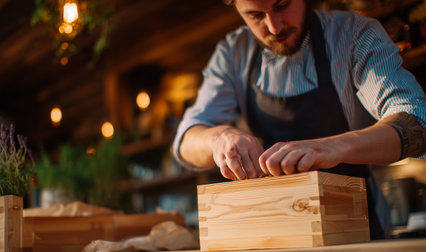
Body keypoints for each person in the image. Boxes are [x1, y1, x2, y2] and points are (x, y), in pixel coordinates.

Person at [172, 0, 426, 240]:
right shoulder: (232, 54)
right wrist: (219, 137)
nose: (274, 27)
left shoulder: (354, 34)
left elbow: (417, 122)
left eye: (282, 5)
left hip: (358, 229)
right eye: (255, 15)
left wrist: (333, 146)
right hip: (276, 234)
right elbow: (186, 142)